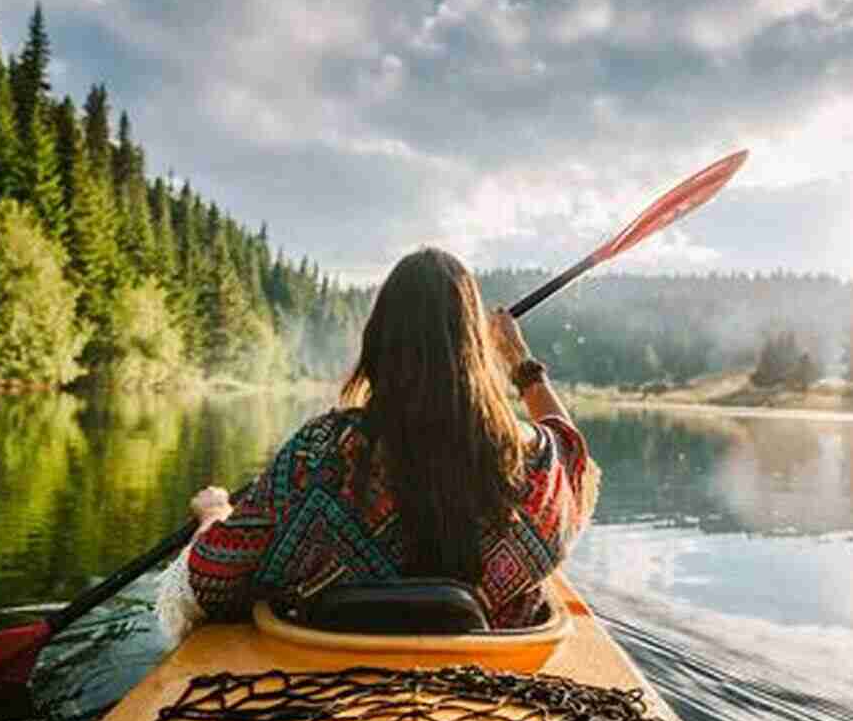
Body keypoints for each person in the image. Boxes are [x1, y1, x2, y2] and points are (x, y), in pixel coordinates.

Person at [156, 248, 598, 642]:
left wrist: (215, 514)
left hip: (326, 677)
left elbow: (209, 578)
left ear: (378, 342)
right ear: (476, 351)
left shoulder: (318, 451)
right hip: (487, 685)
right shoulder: (532, 460)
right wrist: (520, 363)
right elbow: (573, 458)